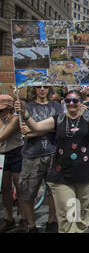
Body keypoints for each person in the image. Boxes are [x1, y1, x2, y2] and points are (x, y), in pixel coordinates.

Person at [14, 91, 89, 233]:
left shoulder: (88, 118)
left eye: (75, 101)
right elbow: (36, 127)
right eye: (68, 101)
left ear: (81, 103)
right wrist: (25, 112)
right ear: (64, 103)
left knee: (82, 214)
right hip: (62, 175)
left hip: (86, 174)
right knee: (67, 215)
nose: (71, 104)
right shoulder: (58, 119)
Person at [18, 85, 62, 233]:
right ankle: (31, 225)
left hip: (53, 153)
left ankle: (52, 221)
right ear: (34, 89)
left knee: (53, 191)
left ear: (49, 89)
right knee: (28, 192)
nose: (42, 89)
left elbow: (60, 127)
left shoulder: (56, 106)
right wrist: (48, 128)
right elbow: (26, 132)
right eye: (38, 87)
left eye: (45, 87)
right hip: (31, 155)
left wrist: (36, 128)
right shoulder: (27, 107)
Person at [0, 95, 26, 233]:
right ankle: (8, 218)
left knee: (19, 188)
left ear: (9, 108)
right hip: (2, 155)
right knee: (5, 189)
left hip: (15, 153)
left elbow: (2, 136)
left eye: (2, 110)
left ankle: (24, 218)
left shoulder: (15, 119)